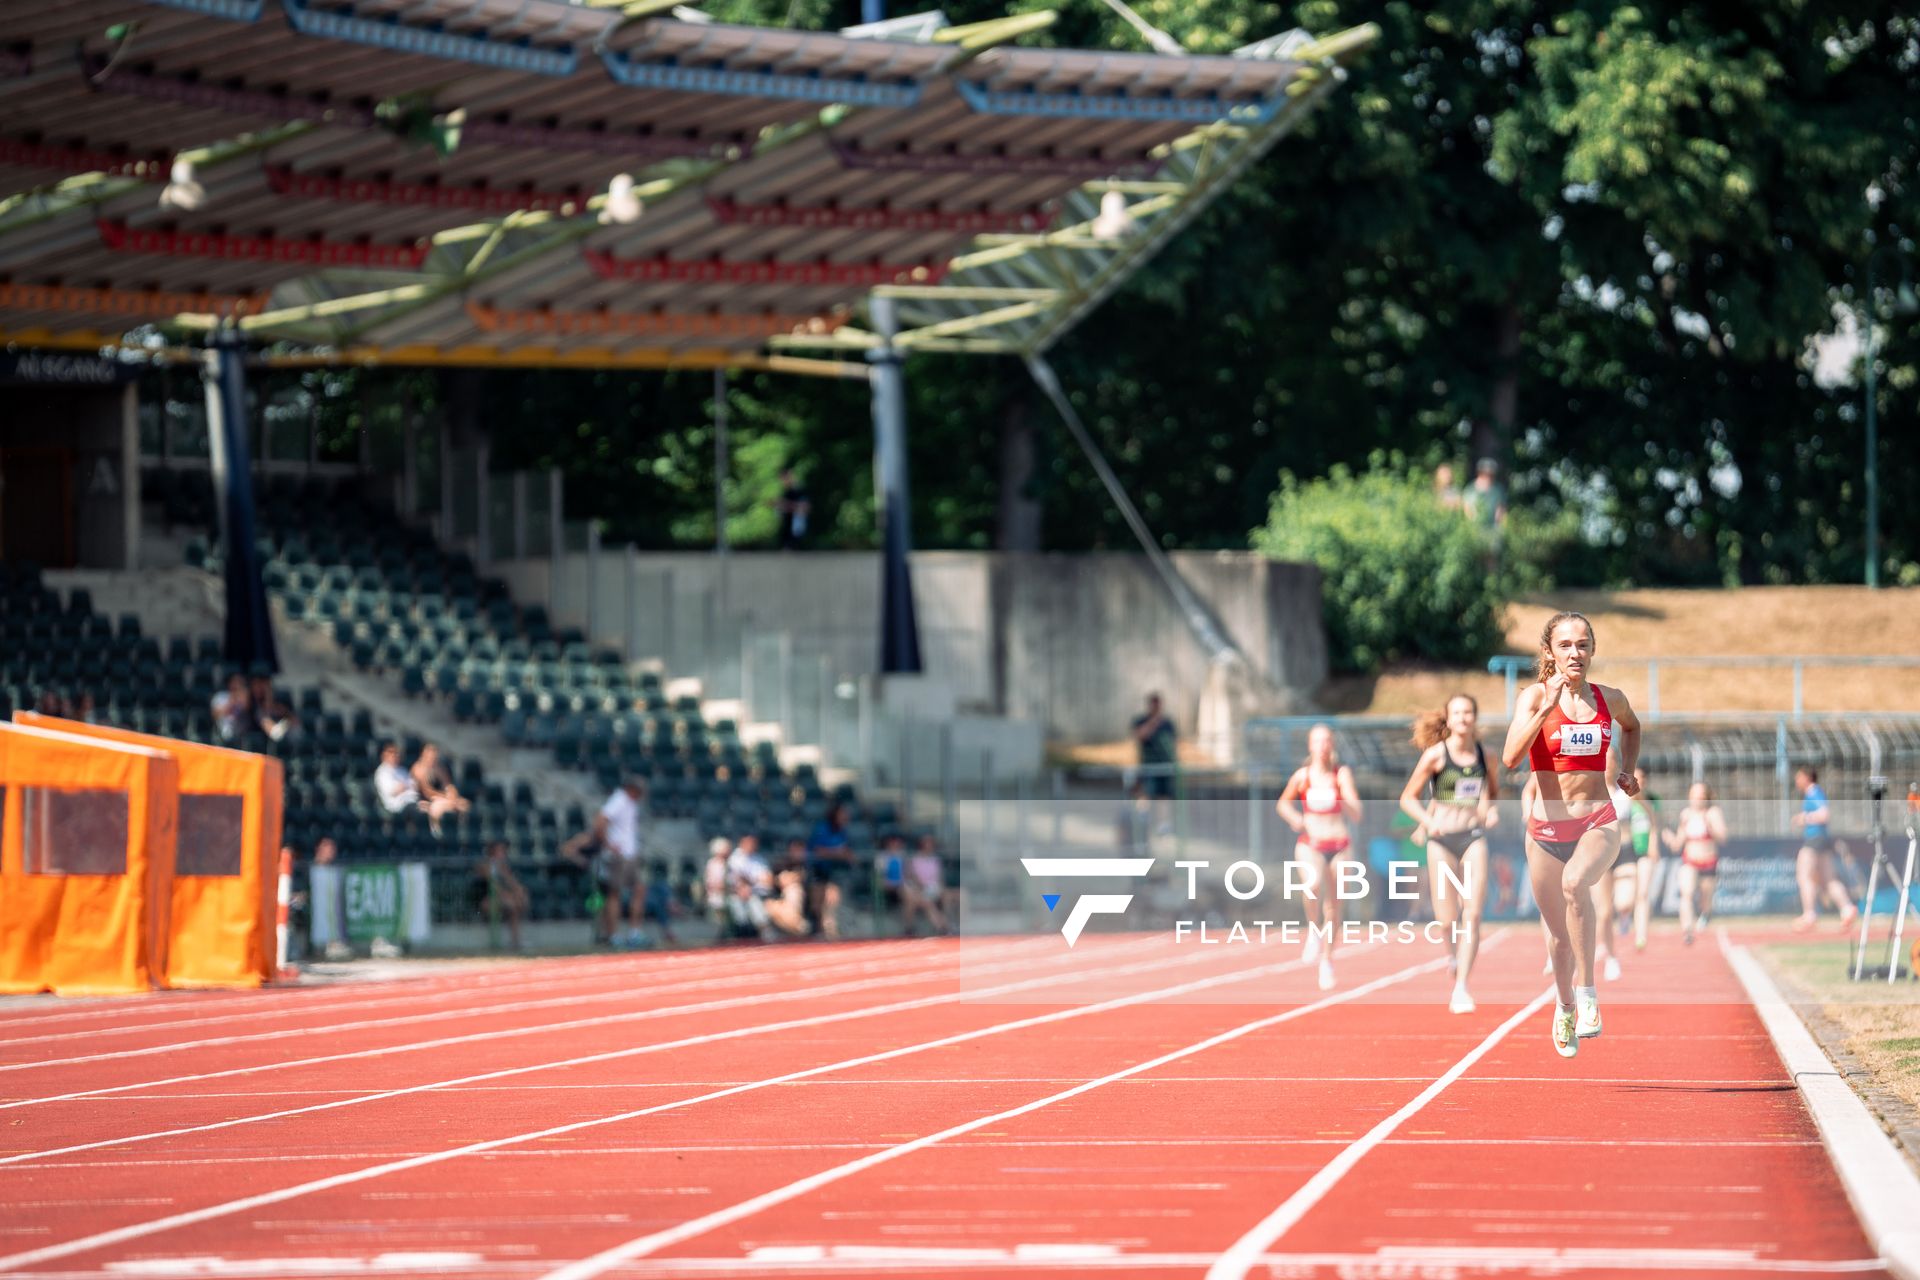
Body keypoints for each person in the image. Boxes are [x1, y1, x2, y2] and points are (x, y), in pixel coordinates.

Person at [1501, 610, 1642, 1059]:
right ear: (1549, 652)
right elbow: (1508, 758)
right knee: (1558, 937)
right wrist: (1546, 707)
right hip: (1545, 831)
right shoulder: (1533, 697)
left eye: (1582, 644)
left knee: (1575, 884)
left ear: (1593, 650)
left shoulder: (1609, 699)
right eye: (1565, 645)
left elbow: (1633, 726)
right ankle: (1563, 1006)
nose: (1575, 653)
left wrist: (1629, 771)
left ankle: (1587, 995)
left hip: (1597, 822)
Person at [1399, 694, 1499, 1014]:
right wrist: (1428, 823)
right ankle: (1452, 954)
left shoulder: (1486, 755)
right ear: (1448, 718)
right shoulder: (1435, 756)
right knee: (1446, 918)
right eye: (1457, 713)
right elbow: (1408, 798)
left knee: (1472, 913)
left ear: (1474, 717)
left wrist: (1489, 811)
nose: (1463, 718)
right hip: (1441, 841)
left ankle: (1461, 987)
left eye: (1468, 712)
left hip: (1472, 838)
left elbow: (1490, 791)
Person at [1277, 724, 1362, 992]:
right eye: (1318, 741)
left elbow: (1356, 813)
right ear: (1310, 745)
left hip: (1338, 843)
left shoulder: (1341, 774)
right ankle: (1313, 929)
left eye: (1327, 741)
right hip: (1310, 843)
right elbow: (1282, 803)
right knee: (1311, 886)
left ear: (1332, 745)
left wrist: (1341, 797)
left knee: (1334, 905)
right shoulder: (1303, 776)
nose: (1323, 746)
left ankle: (1327, 960)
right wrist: (1295, 818)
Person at [1792, 766, 1858, 932]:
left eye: (1799, 777)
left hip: (1815, 839)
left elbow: (1824, 814)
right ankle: (1847, 908)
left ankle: (1809, 915)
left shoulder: (1813, 793)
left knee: (1804, 875)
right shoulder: (1813, 793)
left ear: (1807, 777)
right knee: (1829, 879)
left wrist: (1804, 818)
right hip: (1822, 840)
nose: (1796, 781)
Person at [1668, 781, 1727, 946]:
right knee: (1686, 894)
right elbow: (1679, 842)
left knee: (1705, 901)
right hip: (1690, 861)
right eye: (1693, 796)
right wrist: (1670, 839)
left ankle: (1706, 914)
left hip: (1708, 862)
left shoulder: (1713, 812)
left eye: (1700, 796)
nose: (1697, 800)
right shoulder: (1686, 814)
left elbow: (1723, 837)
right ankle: (1687, 929)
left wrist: (1710, 825)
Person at [594, 776, 649, 947]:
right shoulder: (619, 800)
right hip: (619, 856)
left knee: (639, 890)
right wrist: (609, 844)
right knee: (614, 894)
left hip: (629, 854)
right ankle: (614, 935)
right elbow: (600, 820)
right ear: (632, 789)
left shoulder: (629, 802)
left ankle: (634, 932)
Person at [1621, 767, 1661, 951]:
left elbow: (1655, 822)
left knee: (1643, 893)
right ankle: (1625, 917)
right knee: (1626, 899)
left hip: (1644, 851)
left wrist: (1654, 844)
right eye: (1636, 777)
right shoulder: (1622, 799)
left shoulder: (1651, 800)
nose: (1640, 780)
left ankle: (1641, 935)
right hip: (1627, 851)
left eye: (1642, 777)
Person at [807, 802, 855, 939]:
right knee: (817, 903)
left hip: (835, 871)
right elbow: (818, 851)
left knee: (832, 900)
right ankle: (817, 929)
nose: (846, 816)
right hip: (818, 869)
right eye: (842, 813)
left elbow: (848, 853)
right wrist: (837, 853)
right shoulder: (823, 828)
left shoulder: (843, 831)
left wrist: (842, 855)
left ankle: (829, 930)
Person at [1131, 692, 1177, 834]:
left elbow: (1172, 743)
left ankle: (1163, 824)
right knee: (1143, 793)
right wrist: (1153, 722)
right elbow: (1140, 736)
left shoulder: (1168, 723)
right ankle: (1142, 820)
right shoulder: (1141, 720)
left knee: (1164, 796)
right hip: (1148, 765)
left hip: (1164, 765)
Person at [471, 841, 528, 951]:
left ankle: (516, 941)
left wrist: (519, 892)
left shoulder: (502, 866)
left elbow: (512, 883)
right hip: (483, 900)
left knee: (514, 907)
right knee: (510, 903)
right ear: (492, 852)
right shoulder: (485, 866)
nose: (504, 854)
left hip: (498, 899)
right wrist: (510, 896)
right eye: (501, 851)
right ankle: (508, 942)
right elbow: (495, 887)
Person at [409, 743, 471, 833]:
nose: (432, 757)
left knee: (464, 805)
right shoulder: (418, 769)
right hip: (425, 801)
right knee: (439, 807)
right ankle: (438, 834)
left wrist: (452, 794)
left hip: (442, 798)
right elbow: (427, 792)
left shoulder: (440, 768)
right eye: (430, 755)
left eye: (434, 755)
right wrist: (446, 797)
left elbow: (448, 785)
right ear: (423, 754)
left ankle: (462, 832)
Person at [374, 743, 423, 816]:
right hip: (396, 805)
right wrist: (405, 786)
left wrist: (405, 786)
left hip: (412, 800)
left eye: (396, 753)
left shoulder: (402, 770)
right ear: (384, 756)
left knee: (428, 807)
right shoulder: (382, 772)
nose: (394, 755)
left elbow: (414, 786)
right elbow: (391, 792)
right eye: (391, 753)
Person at [1464, 457, 1507, 534]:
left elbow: (1501, 512)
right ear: (1479, 473)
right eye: (1485, 474)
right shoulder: (1470, 490)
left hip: (1493, 529)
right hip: (1475, 530)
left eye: (1491, 474)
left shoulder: (1498, 490)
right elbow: (1468, 512)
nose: (1488, 477)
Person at [775, 467, 810, 550]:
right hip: (787, 529)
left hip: (797, 529)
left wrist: (785, 504)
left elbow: (805, 507)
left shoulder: (798, 490)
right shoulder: (786, 492)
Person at [212, 674, 253, 742]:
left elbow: (247, 709)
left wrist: (242, 696)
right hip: (222, 734)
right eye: (235, 682)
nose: (237, 685)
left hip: (241, 736)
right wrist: (232, 700)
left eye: (240, 683)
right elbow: (215, 715)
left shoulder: (244, 697)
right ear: (230, 683)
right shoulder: (220, 696)